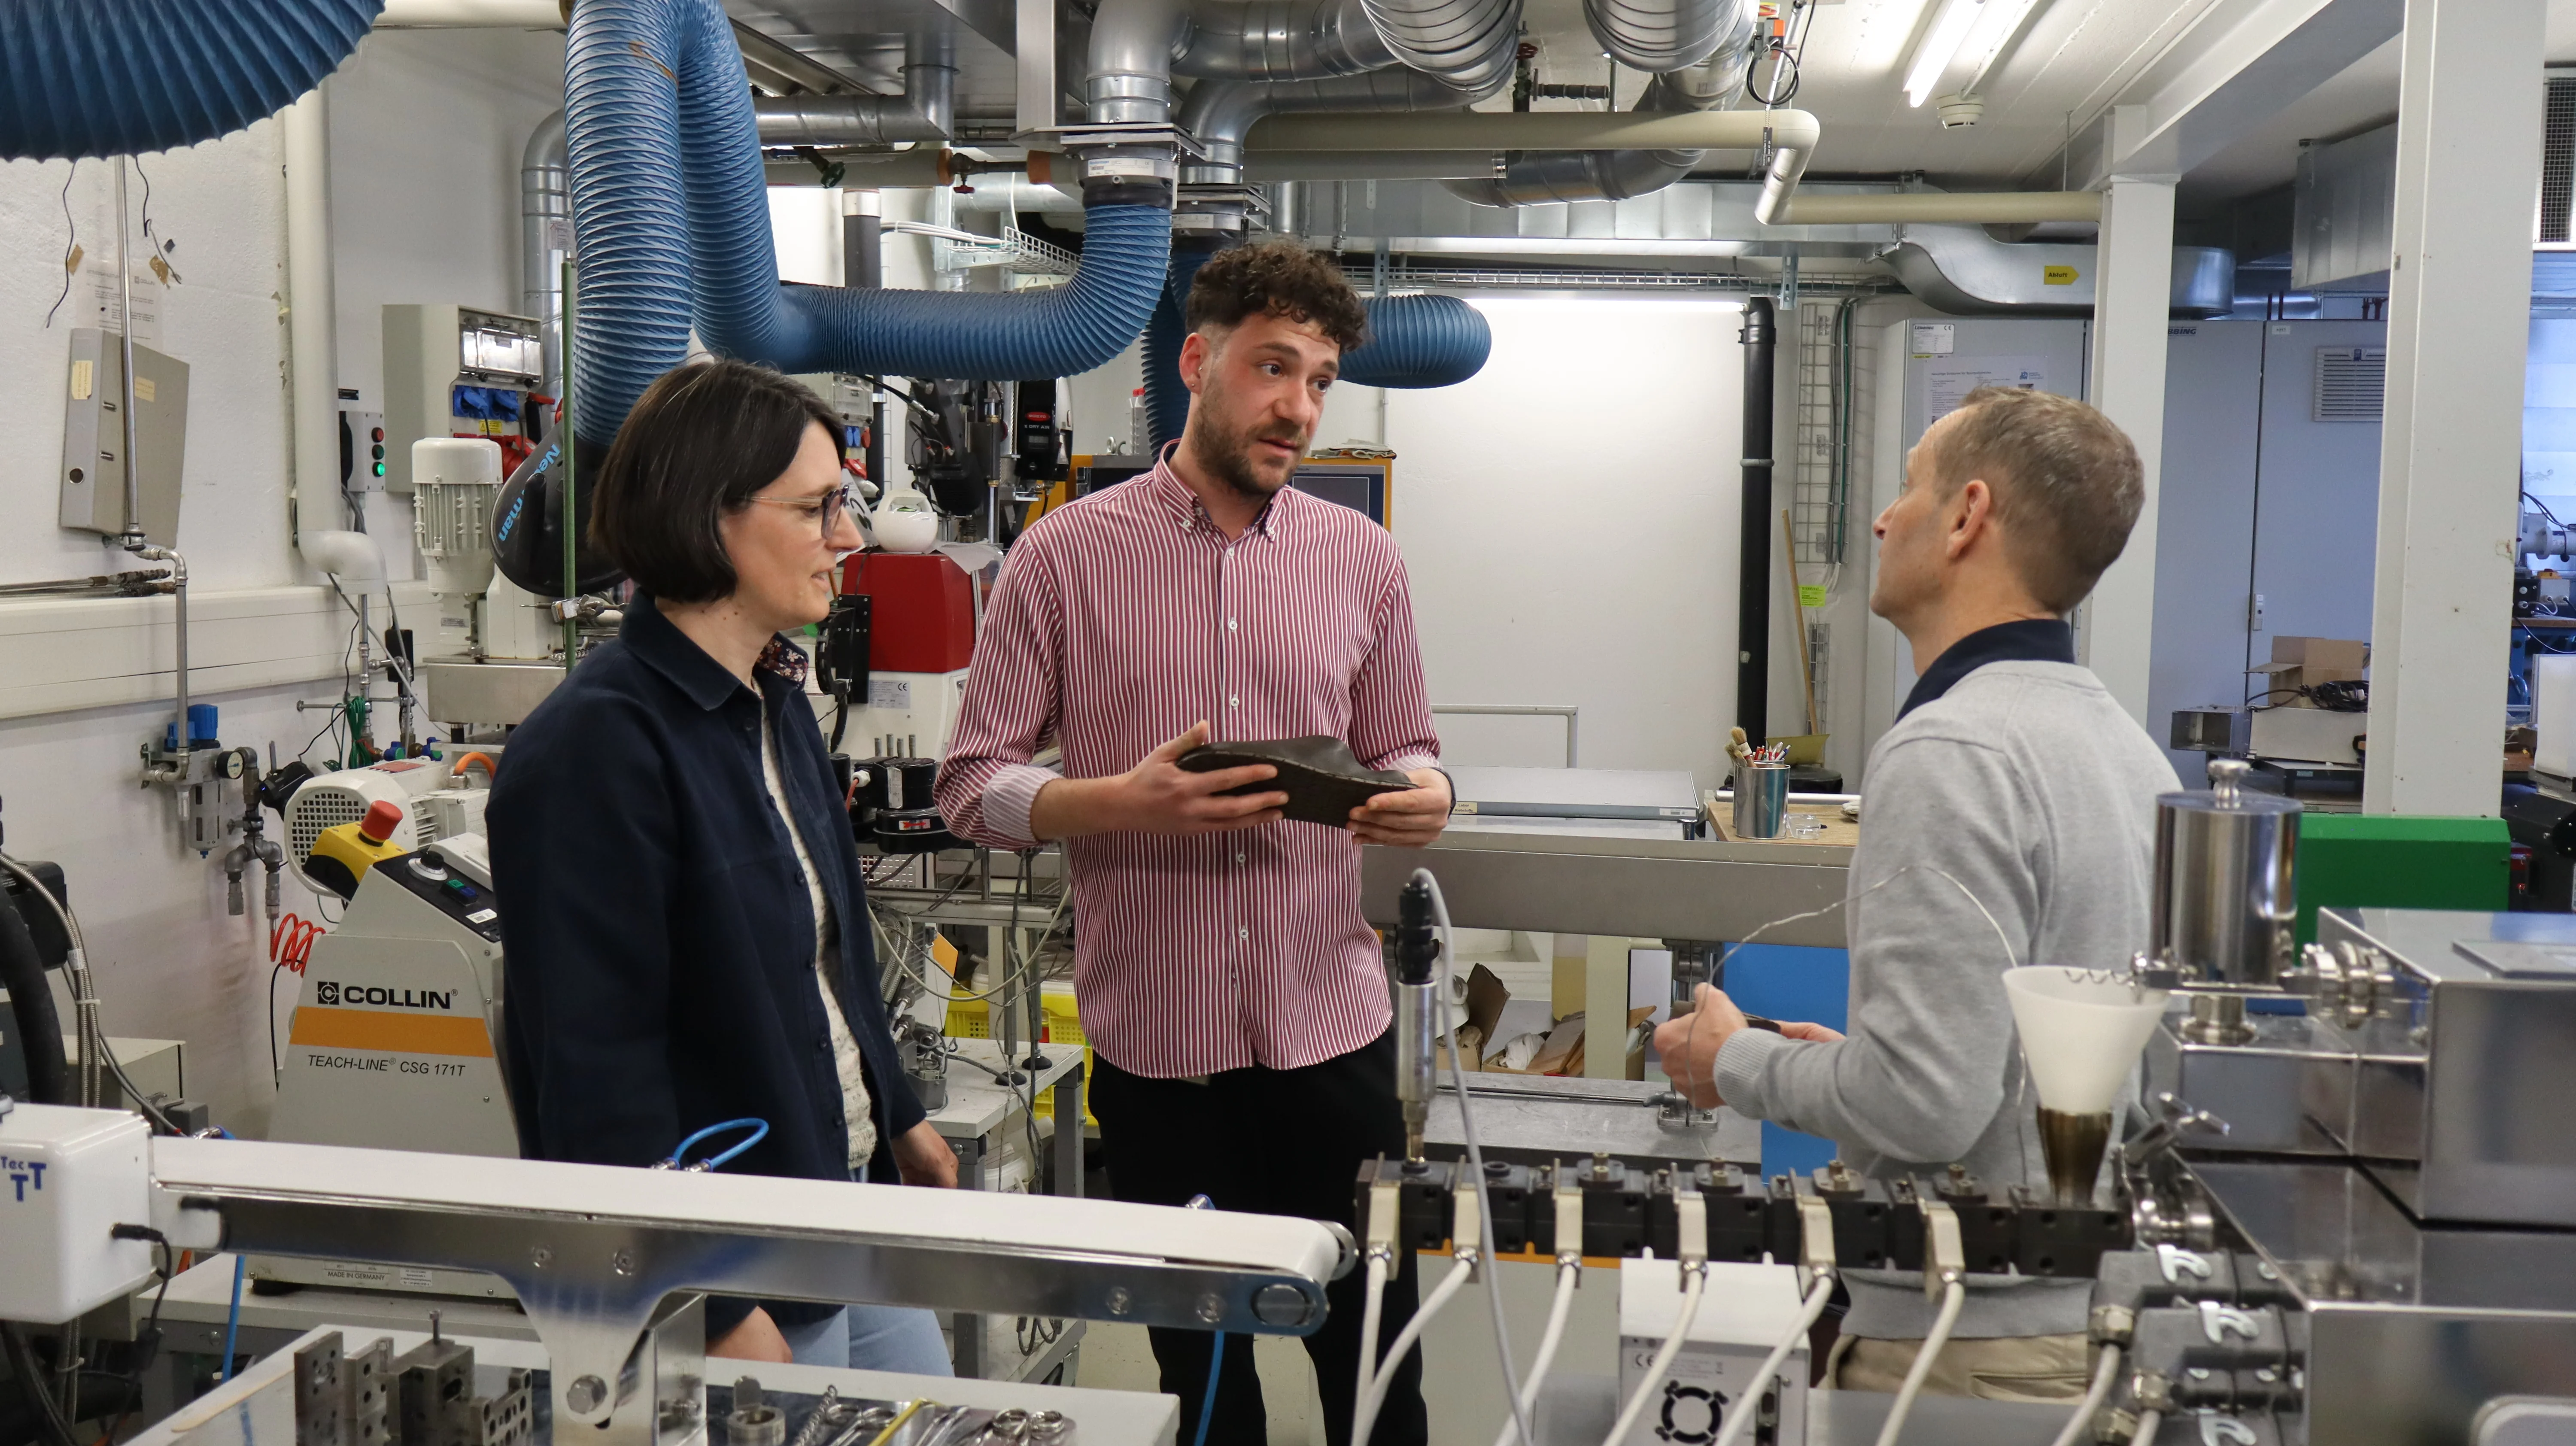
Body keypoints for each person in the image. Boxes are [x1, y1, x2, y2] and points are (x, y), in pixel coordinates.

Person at [935, 241, 1452, 1444]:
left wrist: (1427, 791)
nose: (1299, 408)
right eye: (1273, 368)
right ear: (1196, 362)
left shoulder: (1363, 562)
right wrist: (1119, 802)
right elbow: (970, 786)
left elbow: (1409, 745)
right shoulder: (1063, 557)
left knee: (1380, 1379)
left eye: (1320, 381)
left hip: (1333, 1043)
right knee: (1210, 1395)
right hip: (1164, 1063)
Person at [1653, 385, 2181, 1399]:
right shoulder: (2122, 744)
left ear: (1968, 515)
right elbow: (2009, 1066)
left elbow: (1926, 1104)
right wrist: (1854, 1061)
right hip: (2089, 1326)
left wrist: (1736, 1060)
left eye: (1908, 487)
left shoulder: (1953, 747)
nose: (1885, 518)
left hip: (1968, 1350)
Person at [489, 359, 958, 1374]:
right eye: (818, 508)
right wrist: (703, 1299)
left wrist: (899, 1115)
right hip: (730, 1259)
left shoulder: (776, 704)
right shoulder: (596, 750)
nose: (850, 537)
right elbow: (594, 1076)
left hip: (838, 1202)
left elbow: (830, 960)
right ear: (712, 519)